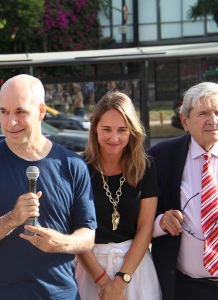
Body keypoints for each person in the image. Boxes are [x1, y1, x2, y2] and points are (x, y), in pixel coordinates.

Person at [0, 74, 97, 299]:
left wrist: (63, 243)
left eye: (20, 112)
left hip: (59, 295)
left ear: (41, 111)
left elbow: (88, 235)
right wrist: (11, 219)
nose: (10, 122)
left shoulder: (73, 165)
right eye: (4, 112)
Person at [149, 81, 218, 300]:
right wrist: (161, 223)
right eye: (203, 113)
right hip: (187, 289)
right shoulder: (160, 157)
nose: (213, 121)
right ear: (185, 121)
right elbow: (136, 217)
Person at [75, 91, 161, 300]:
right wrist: (104, 282)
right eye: (106, 129)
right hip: (90, 271)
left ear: (131, 131)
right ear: (95, 127)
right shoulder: (78, 168)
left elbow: (145, 228)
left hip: (135, 269)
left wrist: (121, 281)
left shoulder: (145, 168)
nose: (114, 138)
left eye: (122, 130)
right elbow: (75, 230)